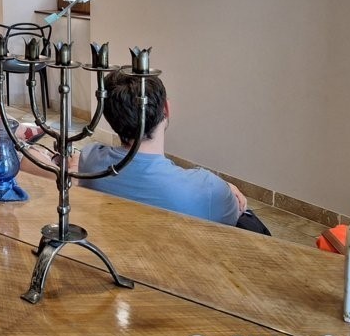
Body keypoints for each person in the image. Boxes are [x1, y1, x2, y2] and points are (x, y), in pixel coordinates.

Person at [78, 71, 268, 232]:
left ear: (109, 116)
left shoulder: (89, 161)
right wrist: (226, 187)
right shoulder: (210, 190)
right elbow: (236, 213)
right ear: (166, 109)